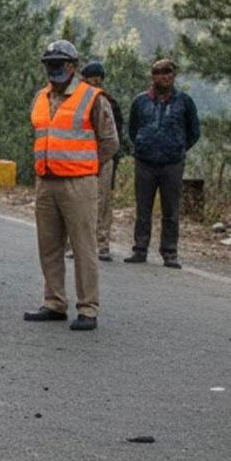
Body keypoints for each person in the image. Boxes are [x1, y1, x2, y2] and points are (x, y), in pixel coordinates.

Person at [25, 39, 119, 331]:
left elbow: (110, 143)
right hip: (46, 182)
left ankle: (88, 308)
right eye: (49, 63)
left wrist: (88, 168)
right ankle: (54, 302)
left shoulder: (93, 98)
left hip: (78, 183)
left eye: (59, 63)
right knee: (49, 246)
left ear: (72, 66)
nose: (53, 69)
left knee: (83, 247)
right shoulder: (41, 97)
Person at [126, 58, 199, 268]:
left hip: (172, 163)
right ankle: (140, 249)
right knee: (143, 208)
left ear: (174, 75)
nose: (163, 76)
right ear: (152, 76)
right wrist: (142, 145)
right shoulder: (140, 101)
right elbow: (133, 130)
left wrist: (178, 148)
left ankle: (169, 252)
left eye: (167, 72)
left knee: (171, 209)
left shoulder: (184, 101)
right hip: (145, 162)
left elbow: (194, 132)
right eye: (158, 72)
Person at [81, 60, 127, 261]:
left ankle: (102, 244)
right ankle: (81, 244)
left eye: (96, 79)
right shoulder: (79, 102)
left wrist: (101, 161)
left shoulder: (108, 102)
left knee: (102, 203)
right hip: (81, 159)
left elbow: (115, 138)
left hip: (103, 158)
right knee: (81, 203)